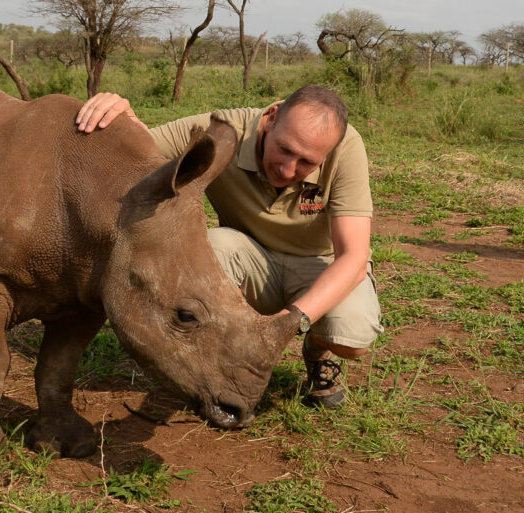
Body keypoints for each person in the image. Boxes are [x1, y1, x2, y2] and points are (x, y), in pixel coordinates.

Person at [75, 85, 383, 408]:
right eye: (284, 149)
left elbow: (353, 257)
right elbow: (135, 156)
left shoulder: (346, 148)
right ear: (272, 117)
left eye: (306, 162)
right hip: (248, 259)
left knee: (353, 335)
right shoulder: (224, 132)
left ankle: (318, 350)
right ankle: (213, 363)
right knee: (215, 244)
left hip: (317, 264)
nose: (287, 169)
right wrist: (123, 120)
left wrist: (289, 324)